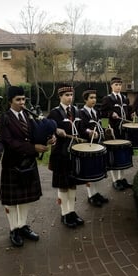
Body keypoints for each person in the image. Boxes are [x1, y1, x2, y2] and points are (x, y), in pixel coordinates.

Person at [0, 85, 51, 247]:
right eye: (18, 100)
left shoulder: (28, 116)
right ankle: (14, 229)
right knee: (13, 201)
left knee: (25, 199)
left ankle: (22, 226)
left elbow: (36, 135)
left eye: (23, 99)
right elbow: (9, 142)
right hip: (12, 164)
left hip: (28, 163)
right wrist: (32, 148)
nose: (22, 102)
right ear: (10, 102)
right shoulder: (5, 118)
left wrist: (48, 139)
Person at [48, 87, 85, 228]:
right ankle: (64, 214)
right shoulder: (54, 113)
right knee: (63, 185)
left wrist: (88, 132)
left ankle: (72, 211)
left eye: (71, 95)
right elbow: (46, 129)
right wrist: (55, 130)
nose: (70, 98)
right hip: (60, 154)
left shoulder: (76, 111)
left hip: (74, 153)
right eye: (67, 95)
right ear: (60, 97)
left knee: (72, 184)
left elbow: (81, 129)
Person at [79, 90, 111, 206]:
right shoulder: (81, 113)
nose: (94, 100)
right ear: (85, 100)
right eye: (91, 98)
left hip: (98, 144)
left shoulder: (96, 111)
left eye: (95, 98)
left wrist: (104, 130)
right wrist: (89, 132)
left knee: (97, 170)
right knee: (89, 171)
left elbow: (98, 125)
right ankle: (90, 195)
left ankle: (96, 193)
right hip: (88, 145)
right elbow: (81, 128)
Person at [100, 77, 131, 190]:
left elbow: (128, 111)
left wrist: (131, 114)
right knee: (114, 155)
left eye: (119, 84)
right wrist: (111, 113)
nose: (118, 86)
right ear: (111, 86)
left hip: (124, 130)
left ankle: (122, 178)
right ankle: (115, 180)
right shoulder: (107, 98)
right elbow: (102, 112)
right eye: (116, 84)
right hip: (114, 130)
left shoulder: (124, 98)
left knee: (122, 154)